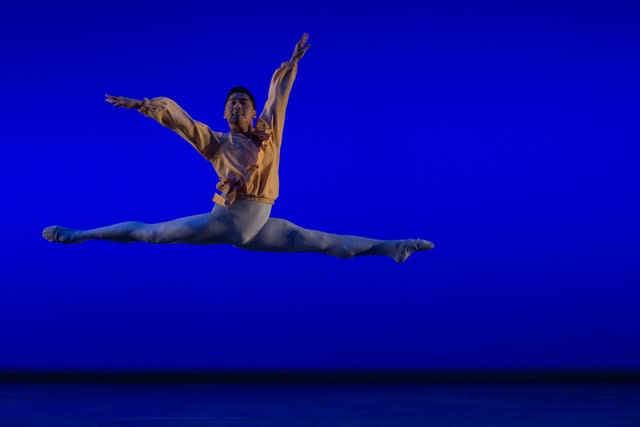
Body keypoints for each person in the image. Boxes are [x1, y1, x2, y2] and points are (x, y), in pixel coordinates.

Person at [42, 34, 434, 263]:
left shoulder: (269, 133)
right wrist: (145, 105)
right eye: (230, 102)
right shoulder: (215, 143)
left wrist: (293, 62)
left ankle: (393, 247)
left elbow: (278, 95)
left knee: (327, 243)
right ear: (225, 112)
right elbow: (181, 121)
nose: (236, 106)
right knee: (152, 234)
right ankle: (80, 234)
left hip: (259, 227)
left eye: (242, 102)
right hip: (223, 221)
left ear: (250, 111)